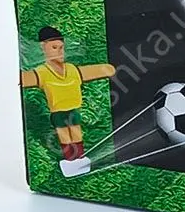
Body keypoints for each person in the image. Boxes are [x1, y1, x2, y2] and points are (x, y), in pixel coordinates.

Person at [18, 26, 116, 177]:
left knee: (76, 134)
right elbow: (23, 79)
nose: (60, 51)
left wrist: (107, 69)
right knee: (65, 135)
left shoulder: (72, 69)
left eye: (61, 47)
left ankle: (80, 158)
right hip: (58, 112)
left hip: (73, 109)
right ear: (43, 47)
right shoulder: (42, 73)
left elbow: (105, 70)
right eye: (54, 47)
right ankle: (70, 160)